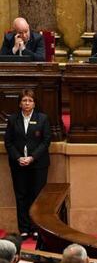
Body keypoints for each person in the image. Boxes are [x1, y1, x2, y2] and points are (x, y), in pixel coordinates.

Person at [4, 89, 51, 240]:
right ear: (19, 103)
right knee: (21, 196)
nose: (27, 103)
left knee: (36, 196)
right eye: (24, 100)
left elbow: (46, 142)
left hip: (38, 164)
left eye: (30, 100)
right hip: (18, 164)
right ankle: (24, 229)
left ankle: (36, 228)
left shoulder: (42, 118)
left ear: (34, 103)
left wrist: (32, 157)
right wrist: (18, 158)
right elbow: (8, 142)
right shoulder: (13, 119)